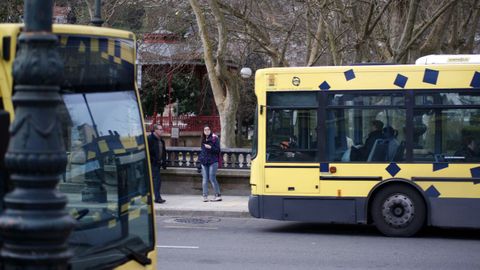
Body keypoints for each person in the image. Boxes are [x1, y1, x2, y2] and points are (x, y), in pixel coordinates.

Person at [199, 125, 222, 202]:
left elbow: (218, 150)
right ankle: (205, 196)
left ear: (210, 130)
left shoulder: (214, 138)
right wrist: (200, 160)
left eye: (208, 129)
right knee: (205, 179)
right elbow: (202, 151)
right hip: (204, 161)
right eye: (205, 130)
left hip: (213, 161)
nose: (206, 131)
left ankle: (218, 195)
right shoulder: (203, 139)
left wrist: (210, 147)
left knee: (212, 178)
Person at [147, 124, 167, 204]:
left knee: (155, 181)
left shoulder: (161, 140)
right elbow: (147, 151)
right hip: (151, 164)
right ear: (155, 130)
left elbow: (163, 152)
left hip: (158, 164)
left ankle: (153, 198)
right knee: (156, 181)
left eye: (162, 129)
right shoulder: (149, 139)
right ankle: (157, 198)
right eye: (160, 129)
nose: (162, 131)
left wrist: (164, 162)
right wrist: (152, 160)